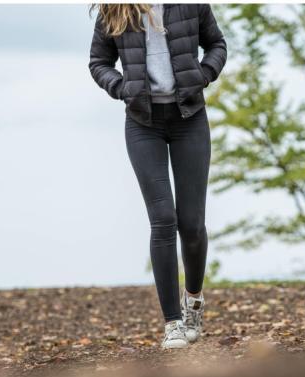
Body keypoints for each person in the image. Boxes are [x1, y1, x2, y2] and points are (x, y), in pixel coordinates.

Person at [89, 3, 226, 349]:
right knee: (163, 219)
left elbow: (217, 45)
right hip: (142, 123)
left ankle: (193, 301)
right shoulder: (116, 8)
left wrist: (204, 75)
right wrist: (121, 88)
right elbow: (98, 62)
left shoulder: (191, 5)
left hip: (190, 118)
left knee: (191, 224)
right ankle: (173, 324)